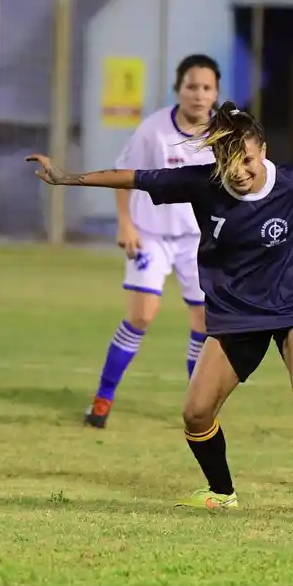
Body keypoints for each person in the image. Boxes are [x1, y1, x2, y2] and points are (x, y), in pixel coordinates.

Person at [29, 102, 293, 523]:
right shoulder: (203, 184)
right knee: (196, 411)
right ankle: (221, 493)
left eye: (247, 159)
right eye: (226, 160)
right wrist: (67, 178)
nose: (238, 170)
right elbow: (136, 178)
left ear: (264, 151)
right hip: (236, 312)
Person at [85, 54, 221, 429]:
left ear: (216, 93)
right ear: (178, 88)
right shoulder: (154, 130)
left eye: (206, 87)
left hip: (198, 238)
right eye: (191, 86)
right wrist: (125, 224)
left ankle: (200, 406)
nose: (198, 94)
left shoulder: (224, 132)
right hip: (151, 234)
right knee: (143, 314)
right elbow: (121, 175)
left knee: (204, 322)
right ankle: (103, 398)